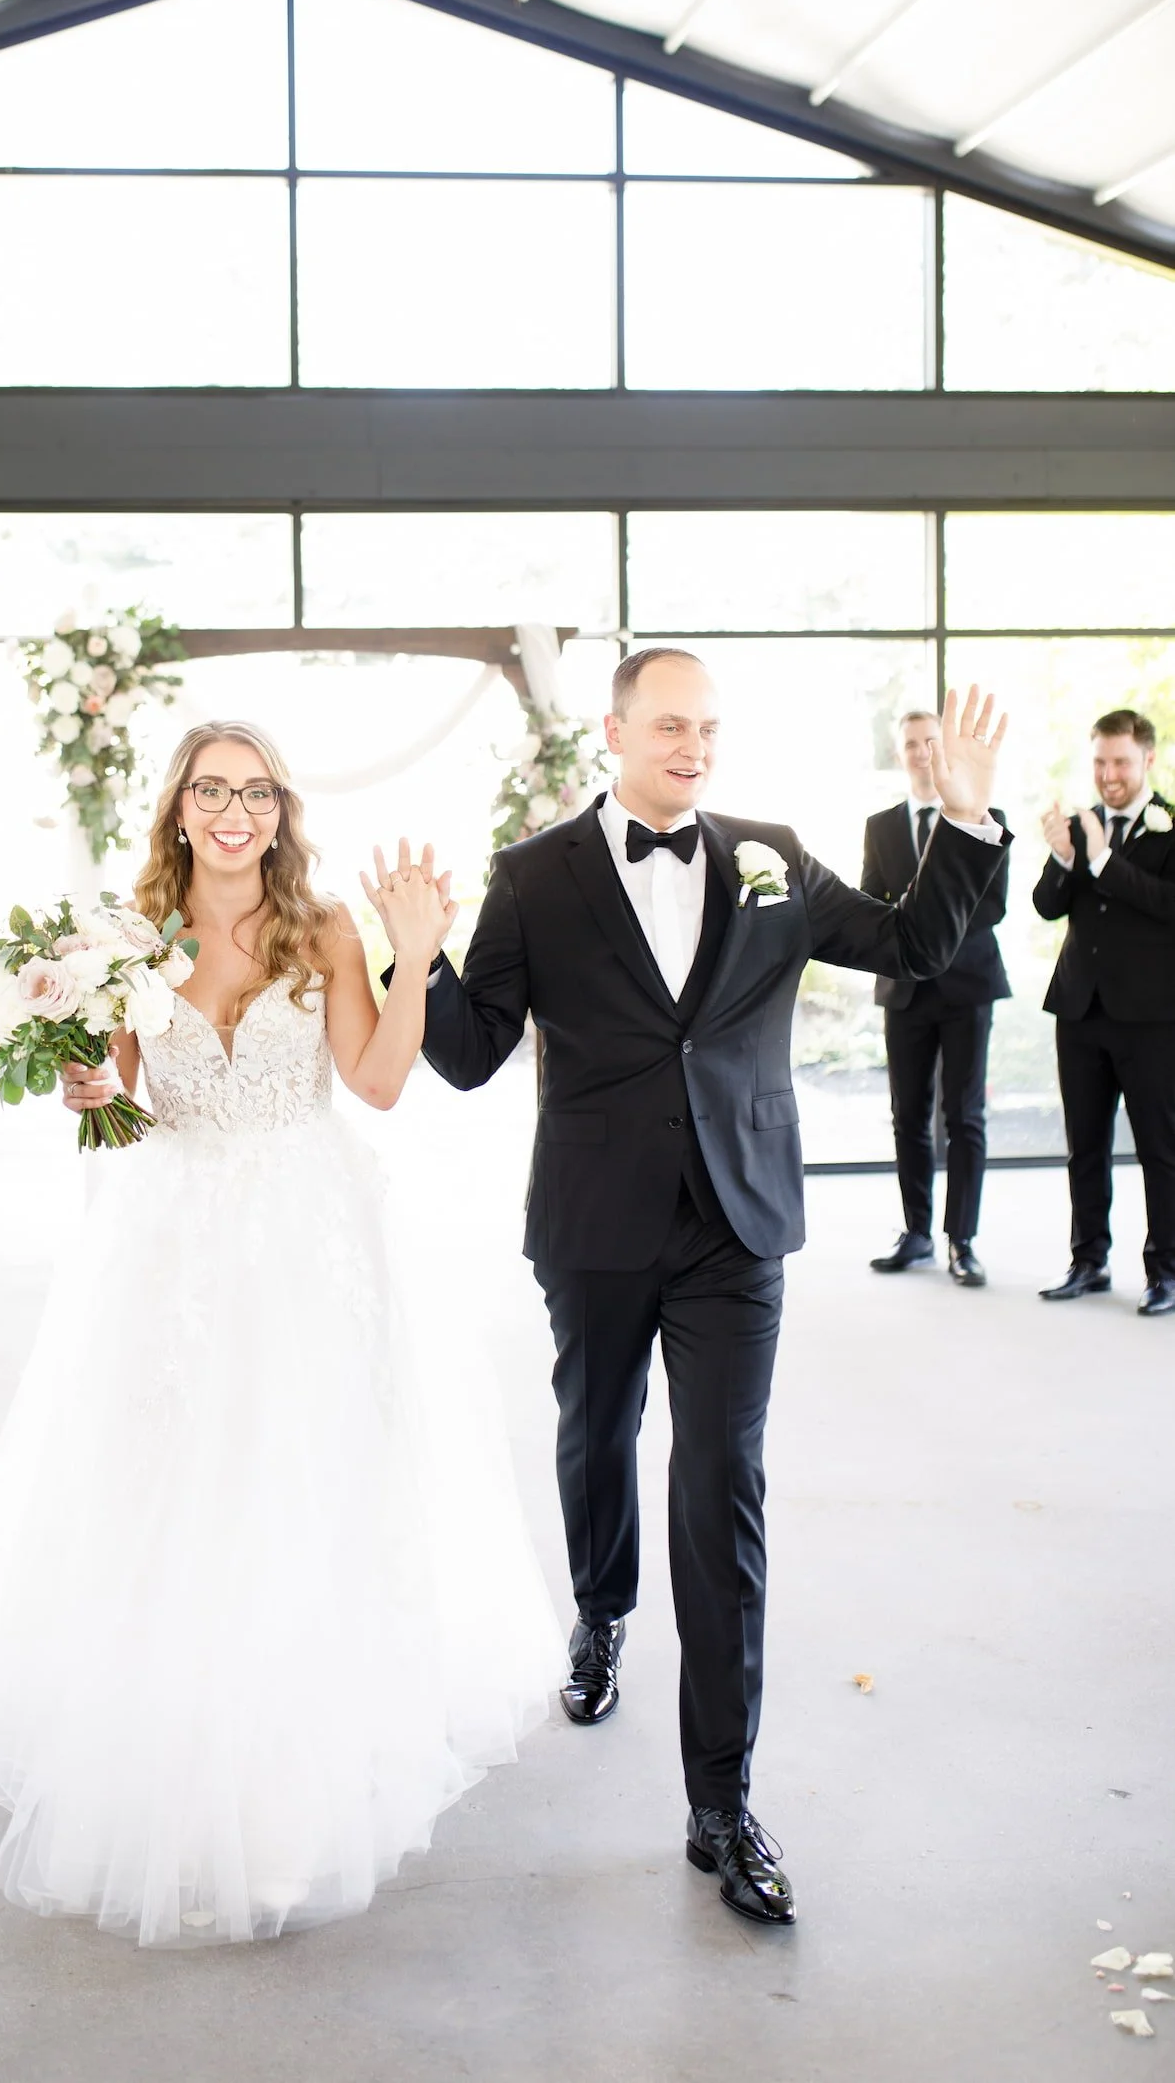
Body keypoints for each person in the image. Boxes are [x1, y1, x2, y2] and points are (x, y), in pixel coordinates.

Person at [386, 648, 1011, 1929]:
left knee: (722, 1485)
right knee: (594, 1434)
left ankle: (718, 1803)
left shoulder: (769, 852)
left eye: (709, 728)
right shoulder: (532, 874)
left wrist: (959, 819)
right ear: (612, 734)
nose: (694, 746)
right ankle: (600, 1613)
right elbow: (465, 1057)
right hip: (595, 1222)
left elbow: (913, 942)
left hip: (737, 1223)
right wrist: (420, 959)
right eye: (669, 725)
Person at [0, 721, 562, 1946]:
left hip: (308, 1239)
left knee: (299, 1492)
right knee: (178, 1493)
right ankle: (180, 1767)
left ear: (279, 809)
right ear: (176, 809)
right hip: (169, 1241)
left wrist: (417, 955)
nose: (233, 811)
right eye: (210, 790)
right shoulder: (124, 941)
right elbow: (115, 1106)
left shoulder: (322, 929)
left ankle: (283, 1800)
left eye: (255, 792)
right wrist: (86, 1088)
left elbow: (374, 1086)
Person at [1035, 707, 1175, 1318]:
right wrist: (1066, 858)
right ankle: (1088, 1260)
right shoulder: (1078, 823)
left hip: (1152, 1017)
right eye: (1099, 761)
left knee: (1160, 1149)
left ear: (1146, 759)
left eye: (1120, 761)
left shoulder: (1171, 824)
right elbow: (1046, 906)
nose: (1109, 774)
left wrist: (1102, 862)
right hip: (1080, 1008)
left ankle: (1166, 1271)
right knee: (1083, 1146)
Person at [863, 709, 1011, 1288]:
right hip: (904, 990)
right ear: (899, 753)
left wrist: (925, 917)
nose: (922, 752)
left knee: (965, 1116)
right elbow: (871, 900)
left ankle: (962, 1241)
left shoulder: (987, 817)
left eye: (930, 741)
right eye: (911, 744)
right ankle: (917, 1232)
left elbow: (993, 905)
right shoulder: (880, 826)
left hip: (968, 985)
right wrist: (912, 917)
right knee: (908, 1117)